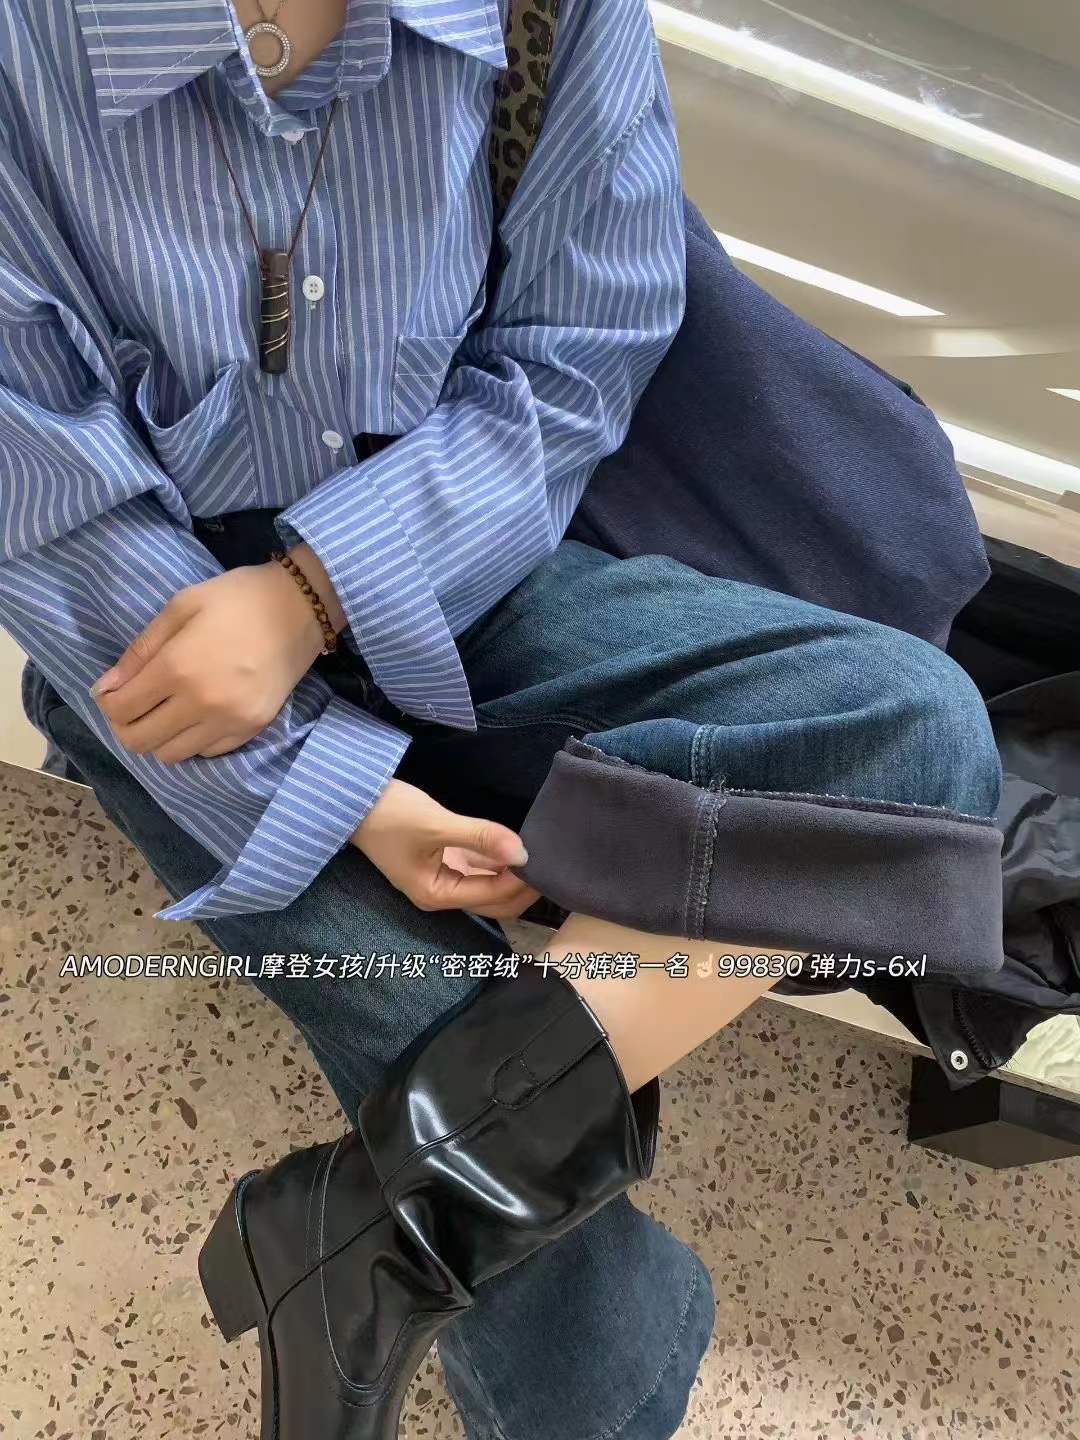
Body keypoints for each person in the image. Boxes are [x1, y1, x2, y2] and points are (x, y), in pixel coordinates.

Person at [0, 1, 1004, 1437]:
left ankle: (361, 1226)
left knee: (914, 740)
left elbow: (582, 346)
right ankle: (385, 1242)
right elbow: (48, 507)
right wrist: (352, 801)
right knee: (570, 1308)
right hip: (150, 650)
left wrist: (315, 592)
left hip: (460, 554)